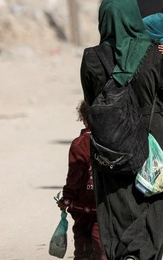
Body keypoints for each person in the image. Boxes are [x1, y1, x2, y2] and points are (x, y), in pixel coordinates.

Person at [80, 0, 163, 260]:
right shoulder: (152, 52)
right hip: (153, 136)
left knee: (117, 201)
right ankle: (140, 252)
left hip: (110, 140)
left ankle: (124, 253)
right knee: (156, 197)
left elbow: (91, 100)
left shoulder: (91, 58)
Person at [58, 100, 105, 260]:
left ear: (83, 118)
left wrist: (66, 198)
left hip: (82, 207)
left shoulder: (79, 144)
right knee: (103, 248)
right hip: (106, 207)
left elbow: (75, 177)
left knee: (83, 249)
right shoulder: (113, 141)